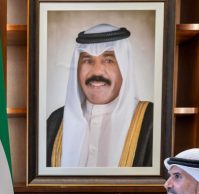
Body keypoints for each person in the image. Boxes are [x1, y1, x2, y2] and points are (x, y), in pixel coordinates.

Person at [46, 24, 154, 168]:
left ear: (124, 67)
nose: (97, 72)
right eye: (87, 60)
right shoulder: (56, 121)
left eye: (108, 60)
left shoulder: (152, 119)